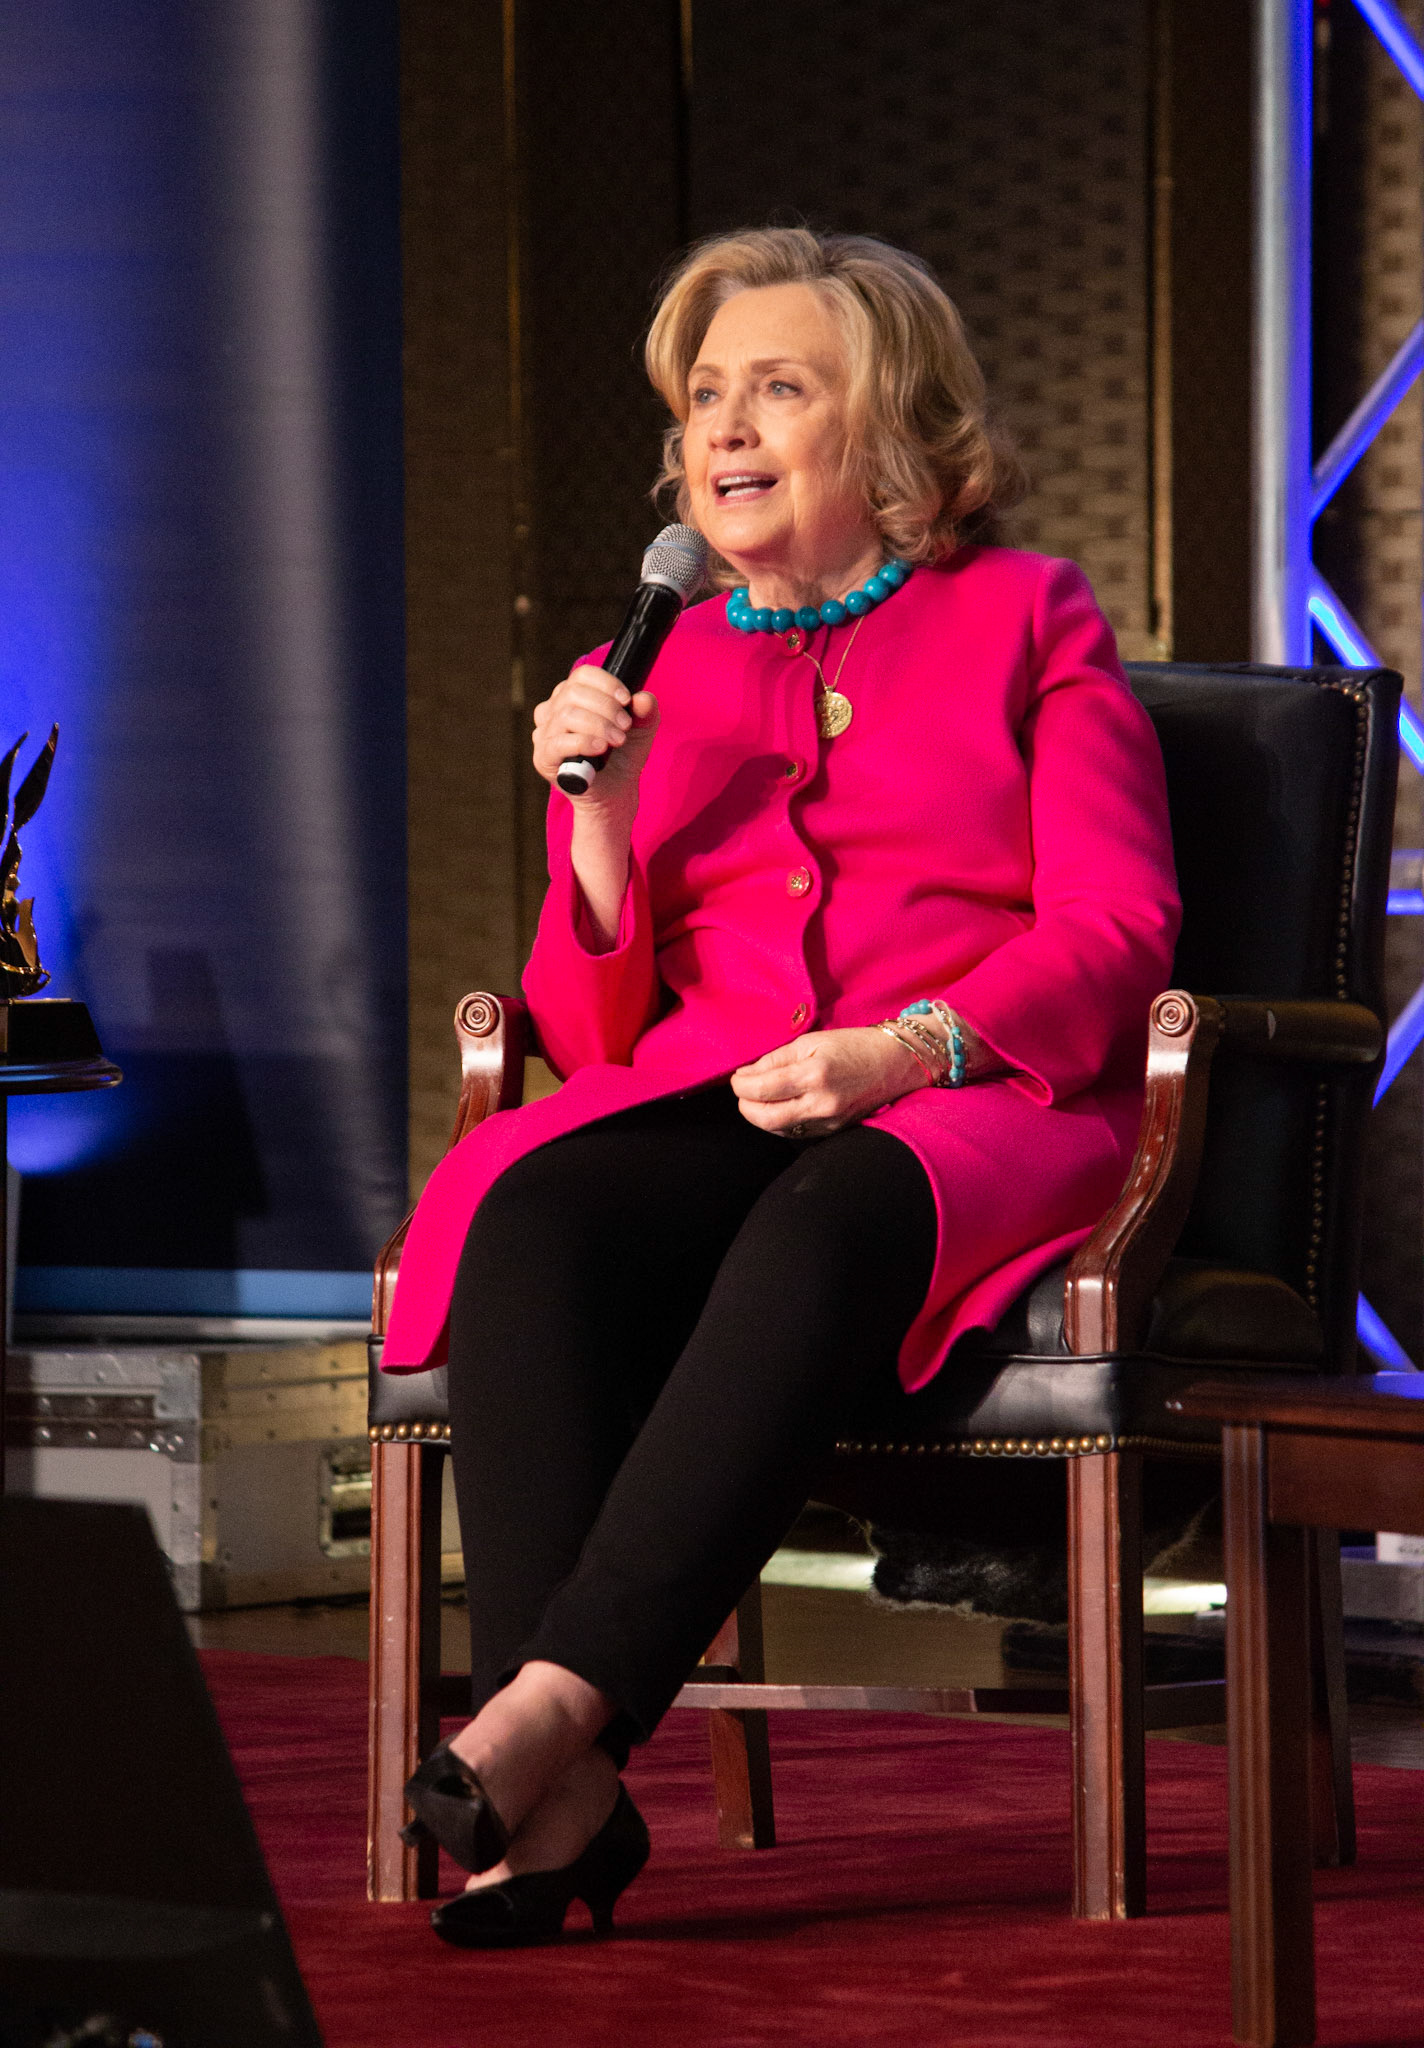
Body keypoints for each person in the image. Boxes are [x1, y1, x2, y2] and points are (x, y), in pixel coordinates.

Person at [382, 226, 1181, 1947]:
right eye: (706, 398)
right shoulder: (669, 661)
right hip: (721, 1087)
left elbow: (1120, 923)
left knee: (825, 1223)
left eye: (781, 389)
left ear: (889, 434)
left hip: (973, 1095)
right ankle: (578, 1795)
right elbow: (593, 1036)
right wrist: (593, 816)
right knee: (534, 1208)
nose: (725, 430)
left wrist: (914, 1047)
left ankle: (539, 1712)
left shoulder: (1027, 615)